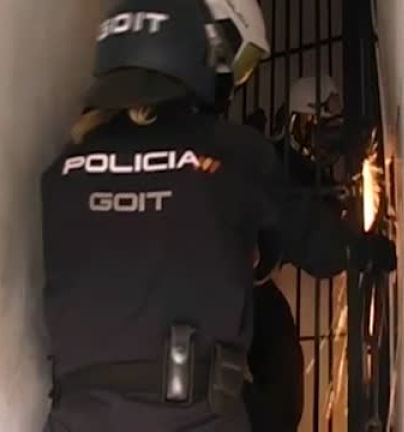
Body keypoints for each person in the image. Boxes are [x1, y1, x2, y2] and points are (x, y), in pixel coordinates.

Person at [40, 0, 355, 430]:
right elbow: (324, 249)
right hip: (193, 418)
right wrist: (363, 247)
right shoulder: (231, 152)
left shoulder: (61, 173)